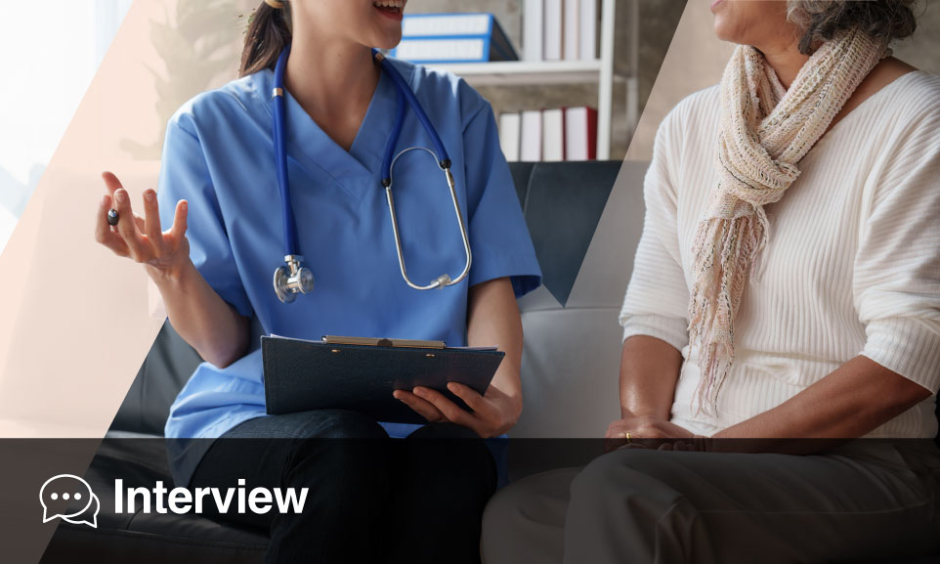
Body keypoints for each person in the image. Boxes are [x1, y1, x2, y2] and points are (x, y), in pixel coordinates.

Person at [481, 1, 940, 563]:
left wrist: (715, 452)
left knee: (626, 495)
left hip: (861, 463)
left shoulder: (917, 117)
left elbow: (910, 352)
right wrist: (645, 426)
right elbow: (656, 313)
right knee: (522, 516)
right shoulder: (692, 124)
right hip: (699, 455)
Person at [93, 1, 541, 562]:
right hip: (252, 422)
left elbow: (489, 279)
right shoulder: (207, 130)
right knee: (343, 444)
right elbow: (223, 347)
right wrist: (172, 270)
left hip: (425, 420)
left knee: (452, 458)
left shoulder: (456, 111)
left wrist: (506, 395)